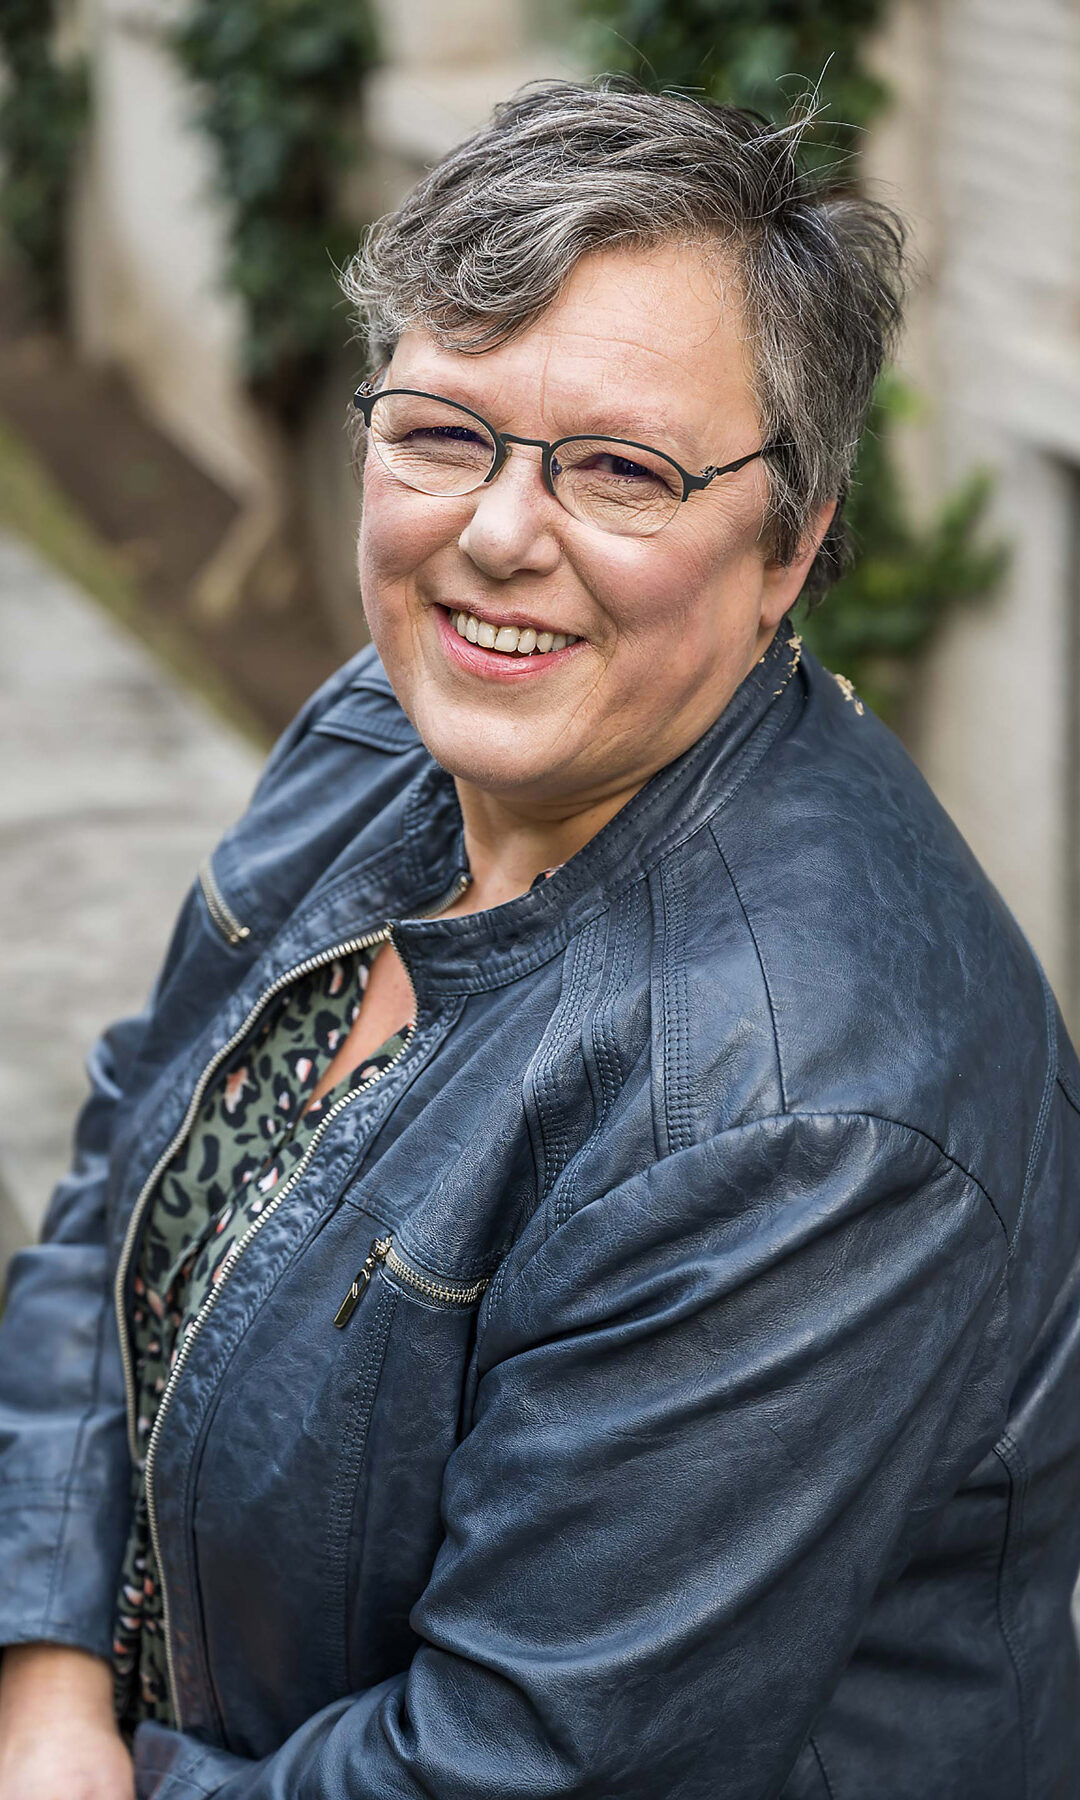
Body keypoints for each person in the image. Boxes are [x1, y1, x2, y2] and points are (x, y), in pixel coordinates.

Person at [0, 76, 1078, 1800]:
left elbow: (510, 1770)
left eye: (623, 470)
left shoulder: (806, 1116)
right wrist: (46, 1683)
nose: (498, 535)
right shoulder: (381, 734)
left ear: (791, 543)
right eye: (442, 431)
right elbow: (119, 1164)